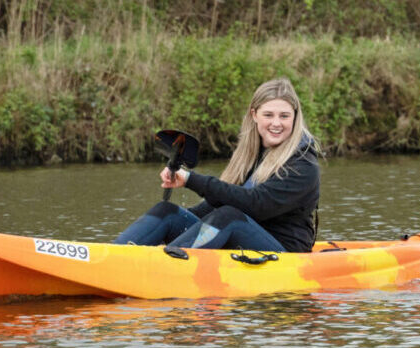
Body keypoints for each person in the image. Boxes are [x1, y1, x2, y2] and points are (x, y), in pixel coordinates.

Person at [112, 78, 321, 253]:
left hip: (285, 256)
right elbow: (216, 205)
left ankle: (166, 265)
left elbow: (257, 205)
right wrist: (179, 222)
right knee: (168, 211)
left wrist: (190, 179)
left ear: (295, 117)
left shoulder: (303, 165)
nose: (276, 123)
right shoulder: (251, 155)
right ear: (254, 115)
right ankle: (110, 256)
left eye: (284, 116)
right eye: (269, 115)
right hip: (242, 242)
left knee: (229, 216)